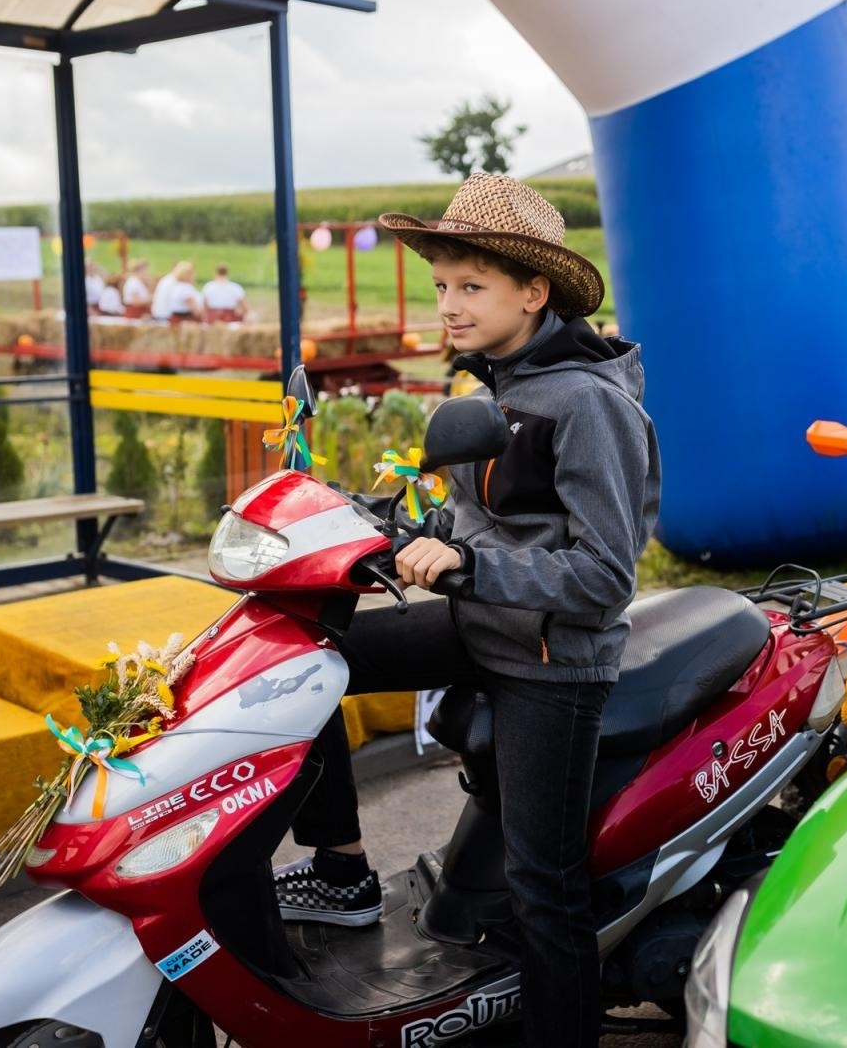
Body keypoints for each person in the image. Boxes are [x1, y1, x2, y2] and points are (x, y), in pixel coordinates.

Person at [274, 172, 659, 1048]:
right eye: (443, 284)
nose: (448, 304)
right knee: (302, 661)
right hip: (482, 623)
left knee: (543, 885)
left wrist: (468, 563)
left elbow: (603, 577)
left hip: (551, 662)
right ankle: (339, 871)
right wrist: (373, 526)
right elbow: (476, 521)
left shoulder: (588, 405)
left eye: (471, 287)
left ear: (534, 292)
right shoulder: (501, 387)